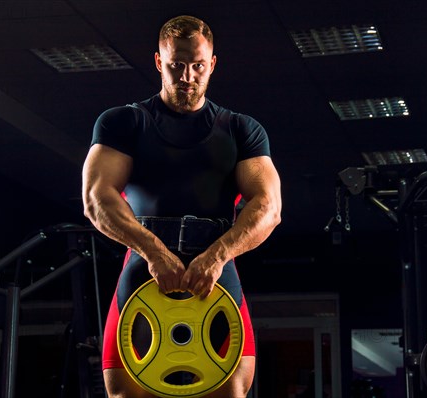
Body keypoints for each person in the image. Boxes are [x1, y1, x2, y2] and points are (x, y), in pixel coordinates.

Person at [82, 15, 282, 398]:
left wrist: (216, 255)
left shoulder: (242, 130)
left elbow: (268, 207)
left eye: (198, 66)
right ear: (159, 62)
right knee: (125, 392)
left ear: (212, 64)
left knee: (231, 391)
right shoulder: (122, 123)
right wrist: (155, 252)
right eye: (176, 65)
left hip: (216, 273)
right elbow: (97, 199)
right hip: (144, 269)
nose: (187, 76)